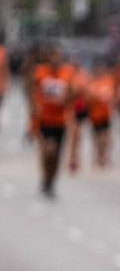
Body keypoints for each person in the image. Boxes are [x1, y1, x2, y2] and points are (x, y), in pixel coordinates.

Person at [29, 47, 76, 199]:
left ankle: (51, 182)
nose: (56, 61)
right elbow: (33, 92)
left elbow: (72, 95)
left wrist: (68, 98)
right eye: (53, 57)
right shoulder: (40, 73)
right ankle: (45, 176)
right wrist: (34, 115)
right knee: (48, 150)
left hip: (60, 121)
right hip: (45, 120)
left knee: (56, 155)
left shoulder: (67, 74)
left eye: (58, 57)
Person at [84, 61, 116, 168]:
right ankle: (96, 156)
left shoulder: (108, 81)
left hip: (105, 114)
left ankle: (103, 156)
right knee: (95, 137)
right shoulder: (92, 82)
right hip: (94, 114)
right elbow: (88, 99)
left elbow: (112, 97)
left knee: (105, 136)